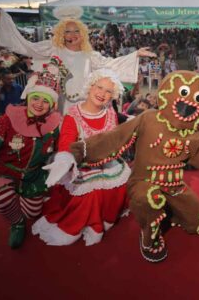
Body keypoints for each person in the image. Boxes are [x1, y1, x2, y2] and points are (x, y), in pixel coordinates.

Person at [68, 71, 199, 262]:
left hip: (174, 187)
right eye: (184, 93)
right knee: (149, 198)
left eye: (198, 98)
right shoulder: (149, 118)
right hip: (143, 183)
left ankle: (165, 213)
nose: (190, 102)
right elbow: (115, 138)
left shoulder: (195, 138)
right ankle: (149, 238)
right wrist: (78, 151)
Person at [0, 6, 155, 113]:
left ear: (82, 33)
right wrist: (4, 21)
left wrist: (135, 54)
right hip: (61, 104)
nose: (72, 35)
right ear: (61, 34)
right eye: (67, 31)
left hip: (86, 104)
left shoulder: (90, 54)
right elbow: (26, 46)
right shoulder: (53, 49)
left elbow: (109, 64)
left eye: (76, 31)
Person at [32, 69, 131, 246]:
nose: (102, 94)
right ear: (90, 87)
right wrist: (64, 160)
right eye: (99, 87)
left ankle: (103, 220)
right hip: (80, 165)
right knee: (88, 195)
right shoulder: (73, 114)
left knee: (123, 183)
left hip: (106, 163)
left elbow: (113, 141)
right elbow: (66, 144)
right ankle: (88, 223)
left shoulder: (110, 114)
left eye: (108, 91)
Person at [0, 63, 62, 248]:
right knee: (3, 198)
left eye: (45, 101)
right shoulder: (9, 118)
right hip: (5, 172)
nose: (39, 104)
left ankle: (21, 205)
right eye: (35, 98)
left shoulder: (55, 124)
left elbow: (61, 149)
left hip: (34, 176)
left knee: (32, 213)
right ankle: (16, 224)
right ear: (28, 98)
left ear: (51, 105)